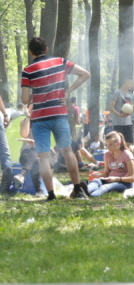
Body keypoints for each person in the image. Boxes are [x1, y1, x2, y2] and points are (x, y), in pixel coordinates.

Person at [20, 36, 92, 200]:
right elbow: (85, 74)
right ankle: (78, 190)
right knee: (67, 151)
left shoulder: (28, 70)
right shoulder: (60, 62)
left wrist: (34, 95)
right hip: (58, 114)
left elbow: (24, 100)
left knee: (43, 156)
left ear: (31, 52)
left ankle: (51, 194)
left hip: (39, 117)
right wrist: (68, 91)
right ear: (46, 49)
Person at [86, 130, 134, 197]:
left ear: (118, 143)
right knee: (96, 181)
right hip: (109, 180)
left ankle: (91, 196)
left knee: (105, 187)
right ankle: (83, 191)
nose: (108, 147)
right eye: (107, 144)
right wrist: (99, 175)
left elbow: (132, 178)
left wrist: (116, 179)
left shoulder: (127, 155)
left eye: (110, 145)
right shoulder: (107, 155)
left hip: (124, 183)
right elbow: (106, 173)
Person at [107, 79, 134, 146]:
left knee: (128, 142)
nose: (131, 85)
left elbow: (132, 107)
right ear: (125, 82)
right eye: (130, 83)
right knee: (119, 143)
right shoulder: (117, 92)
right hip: (118, 123)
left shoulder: (130, 95)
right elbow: (111, 107)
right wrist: (119, 115)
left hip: (128, 123)